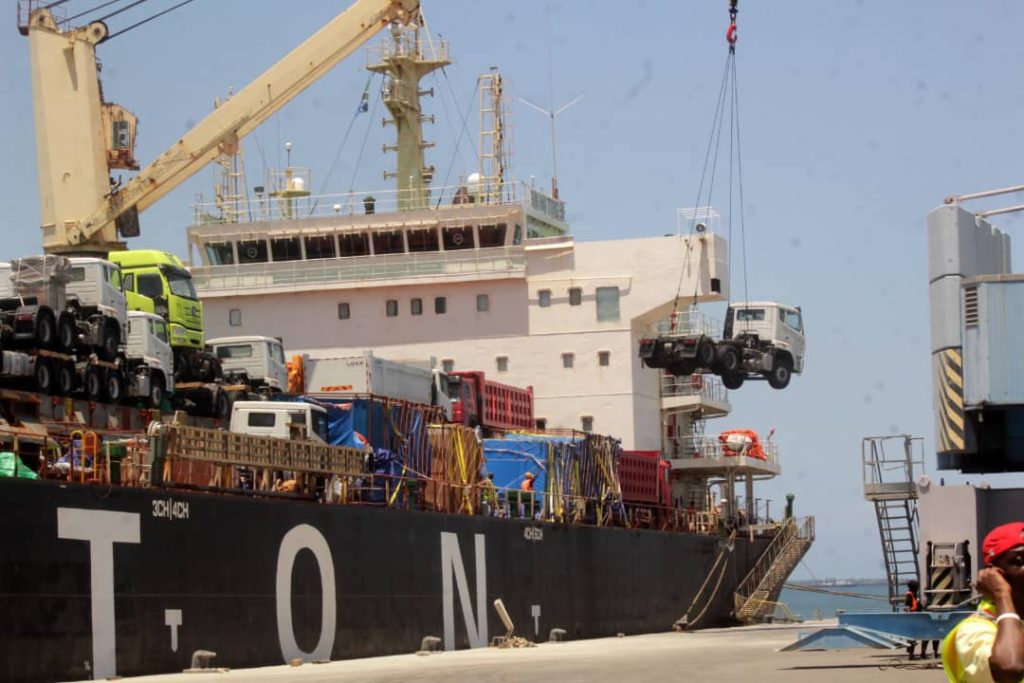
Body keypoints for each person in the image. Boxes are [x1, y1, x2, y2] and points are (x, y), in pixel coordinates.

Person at [942, 522, 1024, 682]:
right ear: (996, 573)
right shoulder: (975, 631)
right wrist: (1001, 595)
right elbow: (1009, 669)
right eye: (1019, 561)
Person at [904, 579, 939, 660]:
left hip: (917, 617)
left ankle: (919, 654)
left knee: (916, 636)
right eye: (917, 586)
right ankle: (913, 655)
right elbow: (909, 606)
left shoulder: (914, 594)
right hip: (914, 618)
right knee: (915, 637)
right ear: (914, 587)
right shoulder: (910, 594)